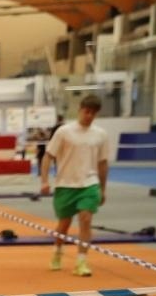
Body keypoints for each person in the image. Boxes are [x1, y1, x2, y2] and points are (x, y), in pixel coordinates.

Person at [39, 93, 108, 278]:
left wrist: (103, 188)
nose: (89, 116)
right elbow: (48, 156)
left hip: (89, 184)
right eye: (87, 112)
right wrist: (44, 180)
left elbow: (102, 163)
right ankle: (57, 251)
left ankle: (81, 261)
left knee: (85, 219)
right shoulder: (64, 132)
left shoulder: (100, 135)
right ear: (80, 110)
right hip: (65, 184)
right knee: (64, 224)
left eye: (93, 113)